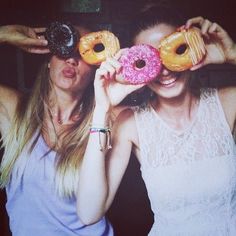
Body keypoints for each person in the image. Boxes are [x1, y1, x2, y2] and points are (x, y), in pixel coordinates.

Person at [77, 3, 236, 236]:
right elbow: (89, 212)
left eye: (172, 53)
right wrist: (102, 109)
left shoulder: (228, 102)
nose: (164, 70)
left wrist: (233, 54)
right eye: (152, 57)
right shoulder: (130, 124)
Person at [0, 23, 113, 236]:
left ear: (96, 69)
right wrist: (4, 34)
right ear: (49, 61)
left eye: (83, 53)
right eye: (64, 50)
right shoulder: (15, 110)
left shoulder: (107, 116)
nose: (72, 59)